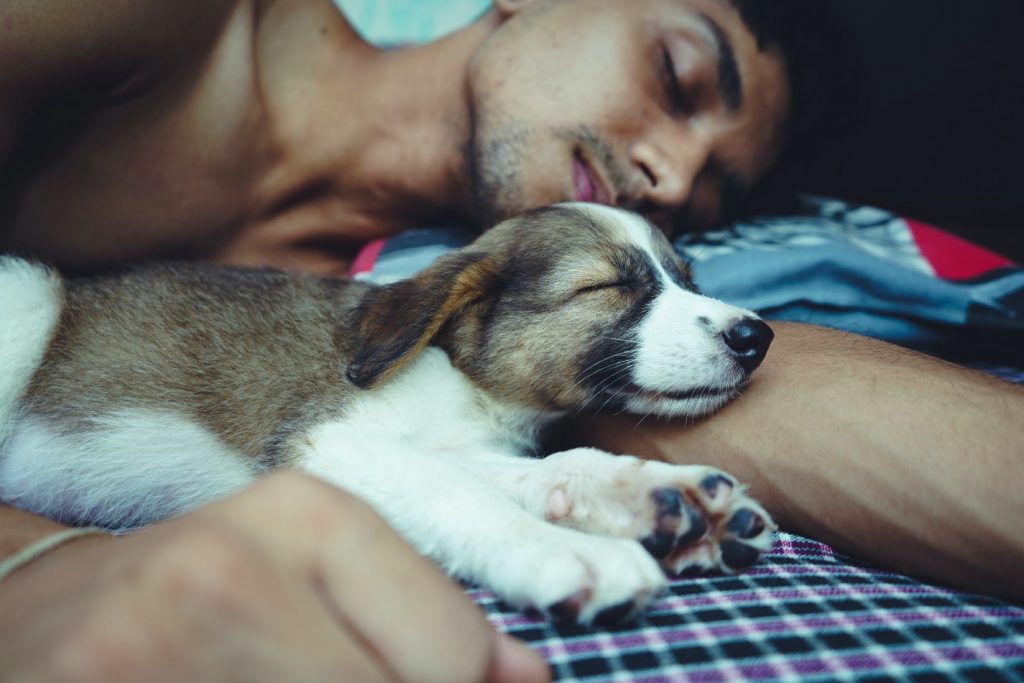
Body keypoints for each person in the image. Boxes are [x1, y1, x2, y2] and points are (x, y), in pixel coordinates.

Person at [0, 0, 1021, 680]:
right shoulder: (152, 24)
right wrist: (32, 559)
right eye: (674, 71)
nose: (668, 175)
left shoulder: (478, 293)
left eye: (714, 190)